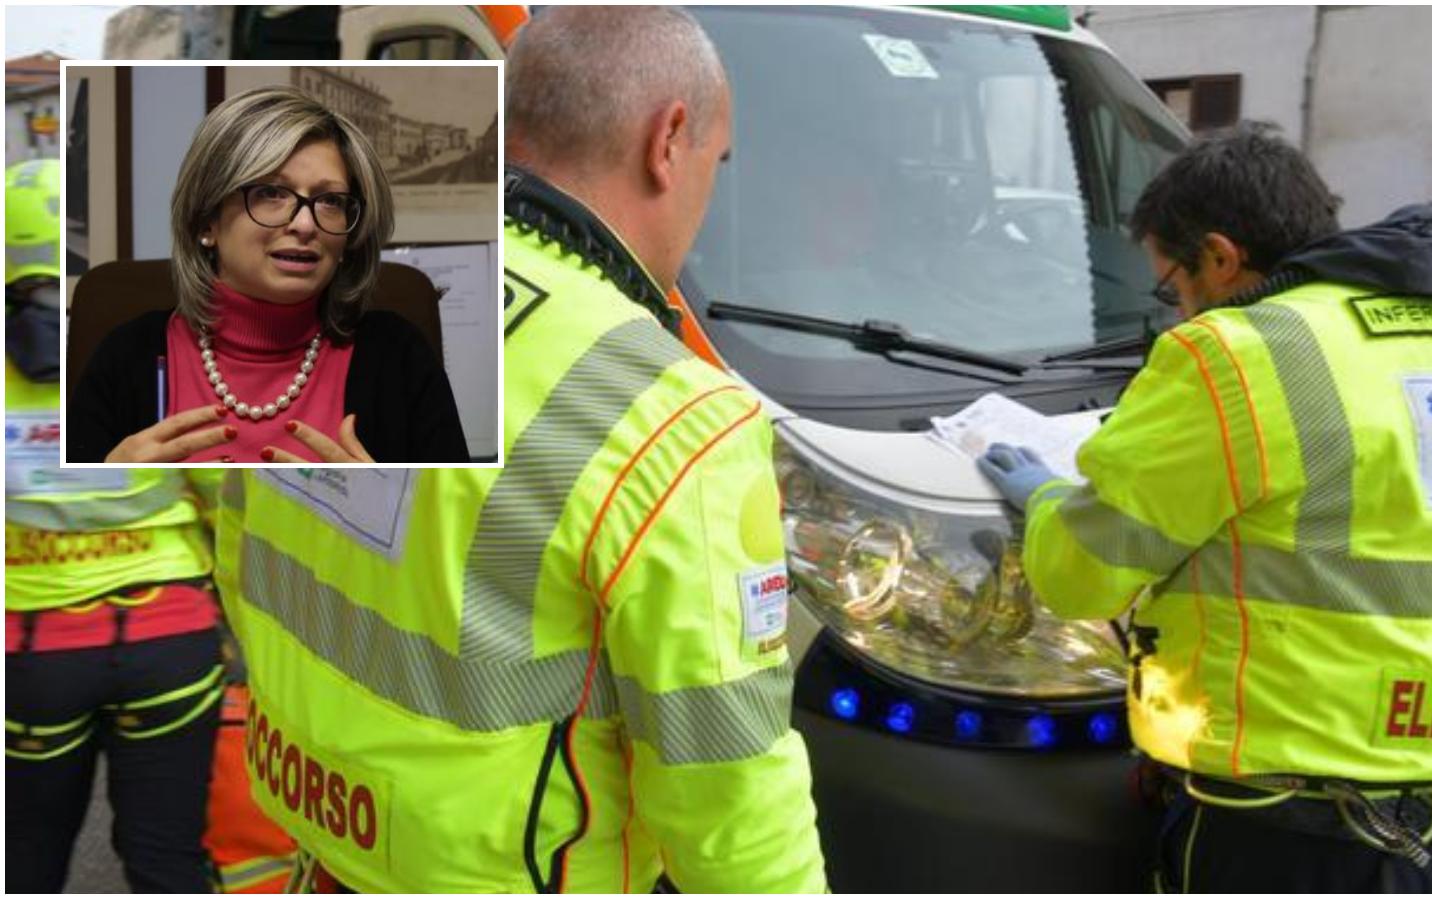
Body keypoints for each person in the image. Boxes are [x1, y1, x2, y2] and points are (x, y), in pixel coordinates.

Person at [213, 7, 828, 893]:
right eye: (715, 164)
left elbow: (246, 544)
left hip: (318, 845)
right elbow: (729, 781)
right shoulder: (672, 416)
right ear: (671, 140)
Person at [979, 124, 1432, 892]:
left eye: (1172, 285)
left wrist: (1044, 501)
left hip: (1289, 818)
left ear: (1221, 256)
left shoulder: (1233, 351)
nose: (1175, 312)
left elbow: (1083, 579)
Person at [5, 158, 223, 893]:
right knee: (167, 859)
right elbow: (231, 493)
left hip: (31, 652)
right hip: (171, 638)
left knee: (27, 862)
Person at [65, 86, 468, 464]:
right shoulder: (126, 357)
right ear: (207, 221)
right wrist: (103, 483)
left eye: (330, 201)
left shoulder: (399, 357)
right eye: (271, 194)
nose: (306, 225)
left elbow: (462, 528)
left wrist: (389, 503)